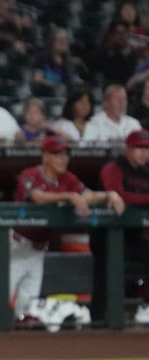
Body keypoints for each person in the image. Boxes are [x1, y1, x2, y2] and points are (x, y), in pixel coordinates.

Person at [11, 136, 124, 321]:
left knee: (27, 309)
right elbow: (37, 197)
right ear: (45, 156)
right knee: (0, 303)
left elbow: (87, 195)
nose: (63, 159)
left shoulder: (67, 178)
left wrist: (109, 194)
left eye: (66, 154)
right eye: (57, 154)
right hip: (16, 246)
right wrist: (69, 196)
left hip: (38, 251)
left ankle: (18, 348)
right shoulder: (30, 174)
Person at [91, 129, 149, 323]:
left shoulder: (145, 172)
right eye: (138, 148)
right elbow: (118, 196)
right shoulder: (113, 168)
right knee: (104, 279)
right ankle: (99, 321)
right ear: (127, 149)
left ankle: (145, 307)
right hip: (106, 235)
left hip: (132, 235)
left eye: (147, 148)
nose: (143, 152)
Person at [31, 27, 80, 96]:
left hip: (65, 95)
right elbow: (38, 80)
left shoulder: (69, 62)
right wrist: (55, 86)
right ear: (52, 41)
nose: (63, 42)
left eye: (66, 40)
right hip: (46, 95)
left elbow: (74, 79)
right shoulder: (42, 58)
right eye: (60, 39)